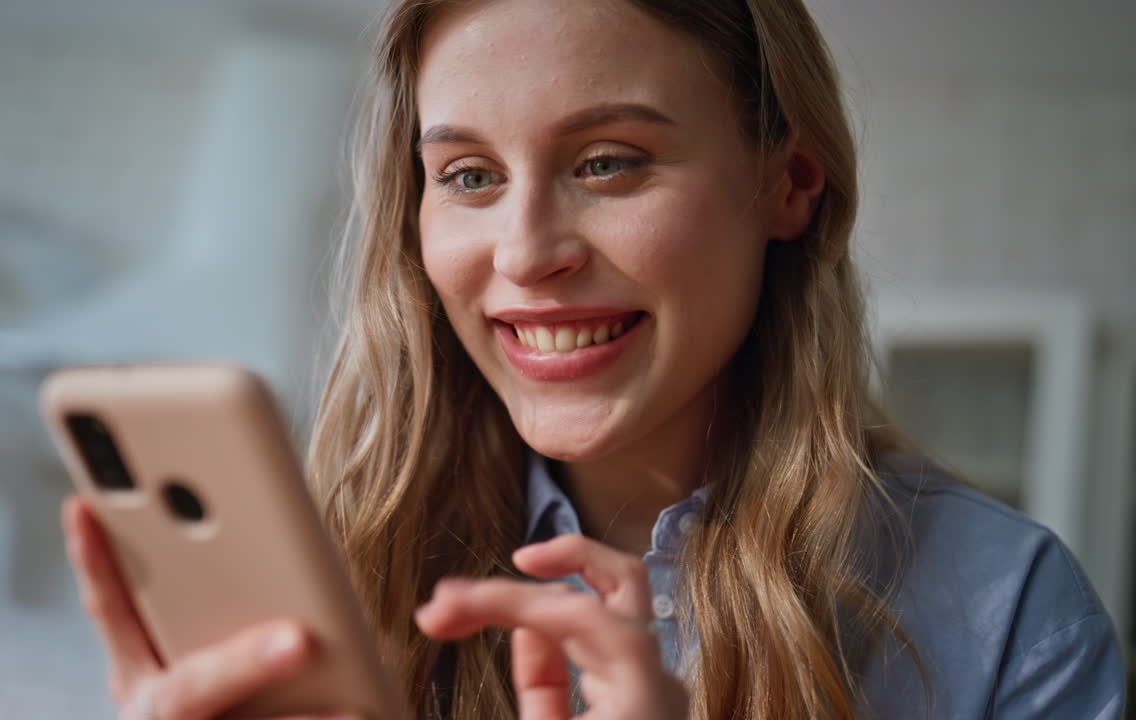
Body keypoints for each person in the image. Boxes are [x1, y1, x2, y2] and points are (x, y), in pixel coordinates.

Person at [61, 0, 1128, 718]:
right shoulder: (339, 582)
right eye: (469, 177)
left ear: (788, 181)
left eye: (607, 162)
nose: (526, 253)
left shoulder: (1006, 612)